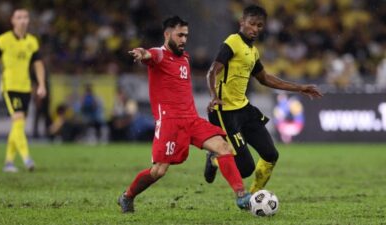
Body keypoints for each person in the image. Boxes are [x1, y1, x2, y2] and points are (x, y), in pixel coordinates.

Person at [118, 16, 251, 213]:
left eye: (186, 36)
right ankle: (127, 197)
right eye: (180, 35)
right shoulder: (159, 55)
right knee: (158, 171)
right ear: (167, 34)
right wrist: (141, 53)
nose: (184, 40)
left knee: (224, 147)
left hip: (191, 119)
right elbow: (148, 54)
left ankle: (242, 196)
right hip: (170, 123)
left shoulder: (185, 58)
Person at [204, 5, 323, 193]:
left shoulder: (252, 52)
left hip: (244, 110)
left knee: (270, 154)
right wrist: (214, 96)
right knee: (245, 169)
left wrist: (300, 88)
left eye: (259, 25)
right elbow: (212, 72)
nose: (255, 29)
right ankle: (214, 158)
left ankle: (254, 198)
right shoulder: (232, 42)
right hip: (224, 112)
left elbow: (265, 78)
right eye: (252, 24)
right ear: (242, 22)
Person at [0, 9, 46, 172]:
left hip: (25, 88)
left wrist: (41, 84)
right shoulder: (3, 40)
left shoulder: (32, 41)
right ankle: (27, 159)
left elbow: (38, 64)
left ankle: (8, 162)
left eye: (25, 17)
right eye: (19, 17)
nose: (23, 20)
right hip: (9, 87)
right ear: (12, 21)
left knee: (17, 125)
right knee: (19, 119)